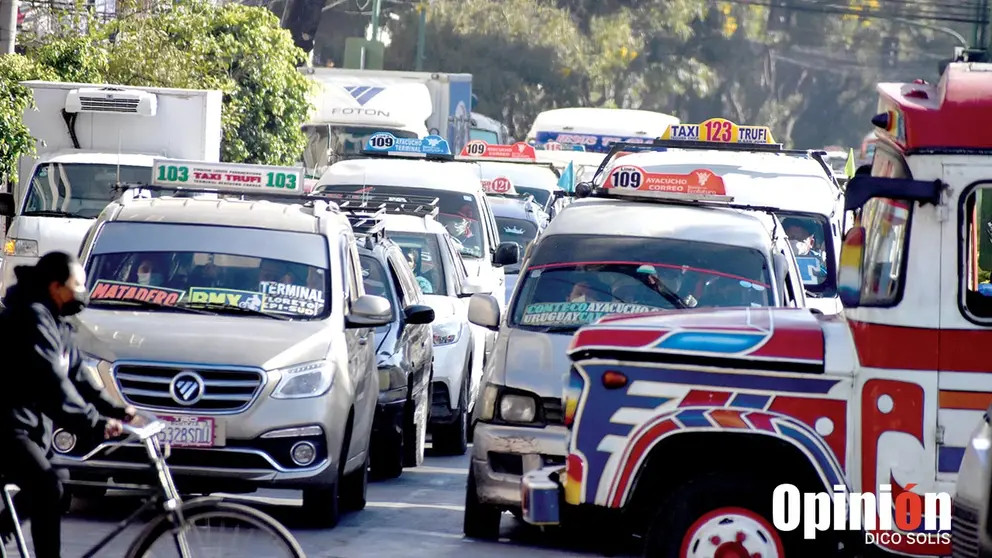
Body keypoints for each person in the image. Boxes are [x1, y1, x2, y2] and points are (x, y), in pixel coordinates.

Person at [0, 251, 135, 557]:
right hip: (8, 424)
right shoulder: (31, 318)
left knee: (58, 480)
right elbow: (52, 382)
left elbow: (78, 377)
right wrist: (94, 423)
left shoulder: (58, 322)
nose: (82, 293)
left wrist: (117, 409)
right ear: (56, 287)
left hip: (30, 424)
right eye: (78, 285)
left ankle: (1, 529)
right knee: (48, 487)